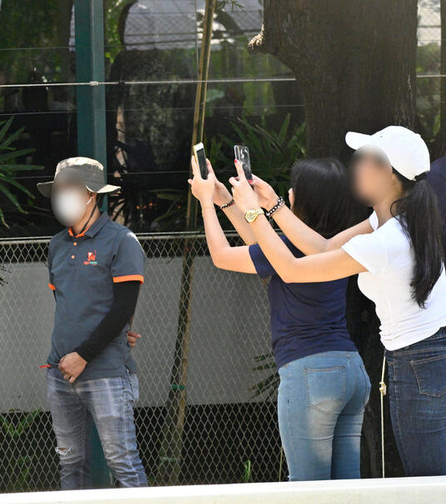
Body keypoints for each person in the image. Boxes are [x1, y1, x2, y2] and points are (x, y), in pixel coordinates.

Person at [231, 126, 446, 476]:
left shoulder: (385, 240)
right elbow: (325, 248)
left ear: (388, 173)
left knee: (430, 482)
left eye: (362, 159)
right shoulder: (394, 216)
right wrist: (274, 205)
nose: (355, 166)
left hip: (418, 359)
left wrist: (252, 212)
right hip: (424, 356)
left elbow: (292, 269)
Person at [190, 156, 369, 480]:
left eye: (294, 189)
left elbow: (221, 256)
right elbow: (263, 242)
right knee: (347, 493)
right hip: (351, 370)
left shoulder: (292, 250)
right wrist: (225, 200)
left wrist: (205, 202)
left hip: (310, 372)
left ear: (302, 199)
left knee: (307, 489)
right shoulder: (335, 246)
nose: (288, 193)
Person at [39, 157, 148, 489]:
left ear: (91, 195)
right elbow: (70, 306)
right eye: (58, 190)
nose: (62, 196)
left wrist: (85, 353)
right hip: (60, 373)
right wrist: (68, 358)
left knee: (123, 463)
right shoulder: (57, 244)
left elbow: (123, 308)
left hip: (106, 374)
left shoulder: (121, 240)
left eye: (68, 189)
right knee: (70, 463)